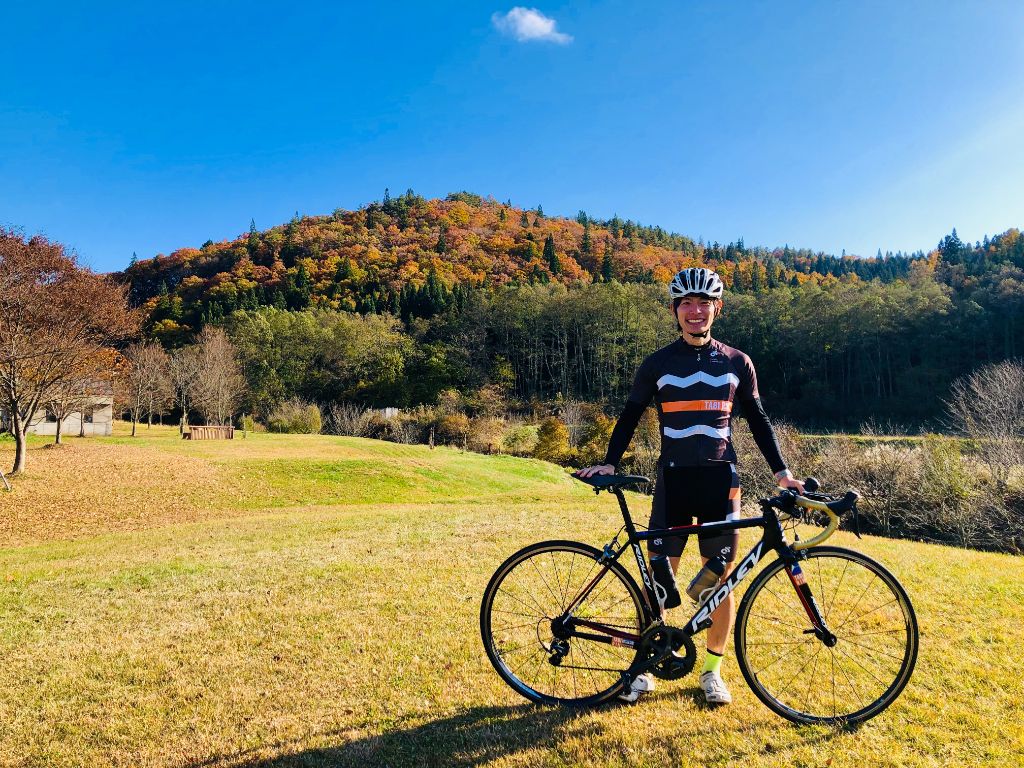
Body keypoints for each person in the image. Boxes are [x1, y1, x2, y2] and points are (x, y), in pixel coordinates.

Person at [578, 267, 803, 706]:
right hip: (674, 480)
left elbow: (758, 421)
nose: (695, 311)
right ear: (675, 310)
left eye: (704, 303)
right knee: (661, 579)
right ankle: (645, 667)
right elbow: (629, 415)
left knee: (718, 582)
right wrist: (609, 462)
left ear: (717, 308)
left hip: (721, 482)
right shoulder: (658, 363)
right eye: (686, 303)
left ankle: (712, 672)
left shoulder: (738, 362)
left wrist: (782, 473)